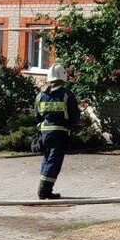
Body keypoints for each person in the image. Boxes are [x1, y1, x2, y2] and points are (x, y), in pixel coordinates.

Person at [35, 64, 80, 199]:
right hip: (59, 133)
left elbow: (37, 116)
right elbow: (74, 116)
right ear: (62, 78)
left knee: (47, 159)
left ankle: (45, 189)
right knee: (54, 162)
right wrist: (71, 125)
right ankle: (44, 191)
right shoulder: (67, 95)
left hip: (44, 133)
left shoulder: (40, 95)